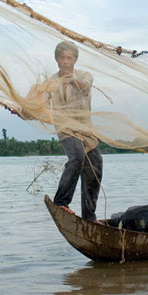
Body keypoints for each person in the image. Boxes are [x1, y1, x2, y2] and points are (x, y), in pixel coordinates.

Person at [46, 41, 103, 221]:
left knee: (95, 167)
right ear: (56, 60)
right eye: (62, 58)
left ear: (75, 60)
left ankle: (89, 216)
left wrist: (70, 78)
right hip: (66, 130)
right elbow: (39, 103)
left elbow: (84, 87)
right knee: (77, 156)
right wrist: (22, 109)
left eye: (69, 58)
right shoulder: (51, 82)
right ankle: (61, 202)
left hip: (86, 131)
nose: (65, 62)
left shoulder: (85, 76)